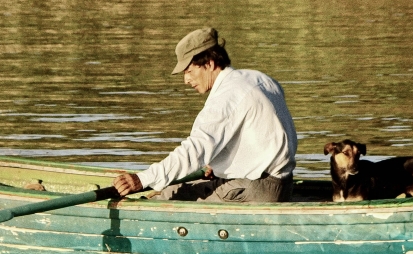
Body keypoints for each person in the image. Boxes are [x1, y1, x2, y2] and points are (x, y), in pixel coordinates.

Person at [112, 27, 298, 203]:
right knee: (180, 183)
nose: (186, 80)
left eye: (189, 71)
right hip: (284, 184)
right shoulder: (259, 79)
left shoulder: (227, 96)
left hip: (255, 190)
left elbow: (195, 149)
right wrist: (218, 164)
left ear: (209, 64)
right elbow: (258, 134)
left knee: (167, 194)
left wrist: (142, 179)